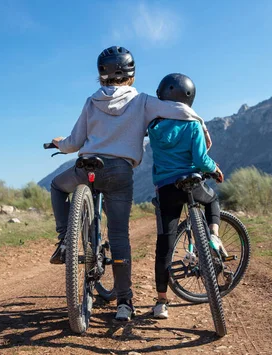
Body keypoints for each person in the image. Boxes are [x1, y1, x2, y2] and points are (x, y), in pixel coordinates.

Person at [49, 47, 211, 322]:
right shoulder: (143, 101)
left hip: (88, 166)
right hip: (120, 172)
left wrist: (58, 145)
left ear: (101, 75)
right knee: (120, 236)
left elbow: (74, 143)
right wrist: (200, 123)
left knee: (57, 186)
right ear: (131, 75)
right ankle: (124, 303)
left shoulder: (91, 102)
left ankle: (65, 239)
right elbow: (178, 109)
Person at [147, 73, 224, 319]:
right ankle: (214, 238)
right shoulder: (193, 124)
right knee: (211, 199)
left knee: (164, 245)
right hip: (191, 183)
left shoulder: (154, 126)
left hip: (166, 188)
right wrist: (214, 169)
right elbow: (201, 160)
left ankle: (161, 303)